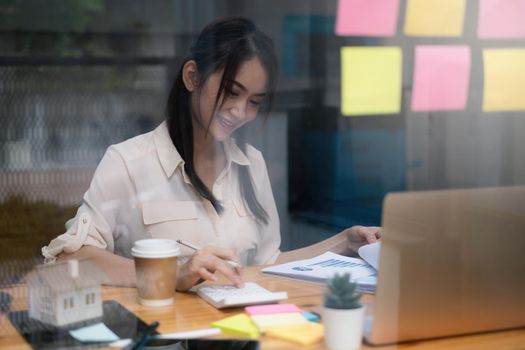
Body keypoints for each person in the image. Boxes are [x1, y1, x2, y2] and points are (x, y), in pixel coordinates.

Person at [42, 16, 381, 292]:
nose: (240, 111)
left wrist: (344, 241)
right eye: (231, 92)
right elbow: (70, 260)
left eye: (254, 101)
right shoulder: (128, 162)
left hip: (243, 335)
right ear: (192, 77)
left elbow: (265, 265)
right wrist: (169, 275)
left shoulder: (252, 165)